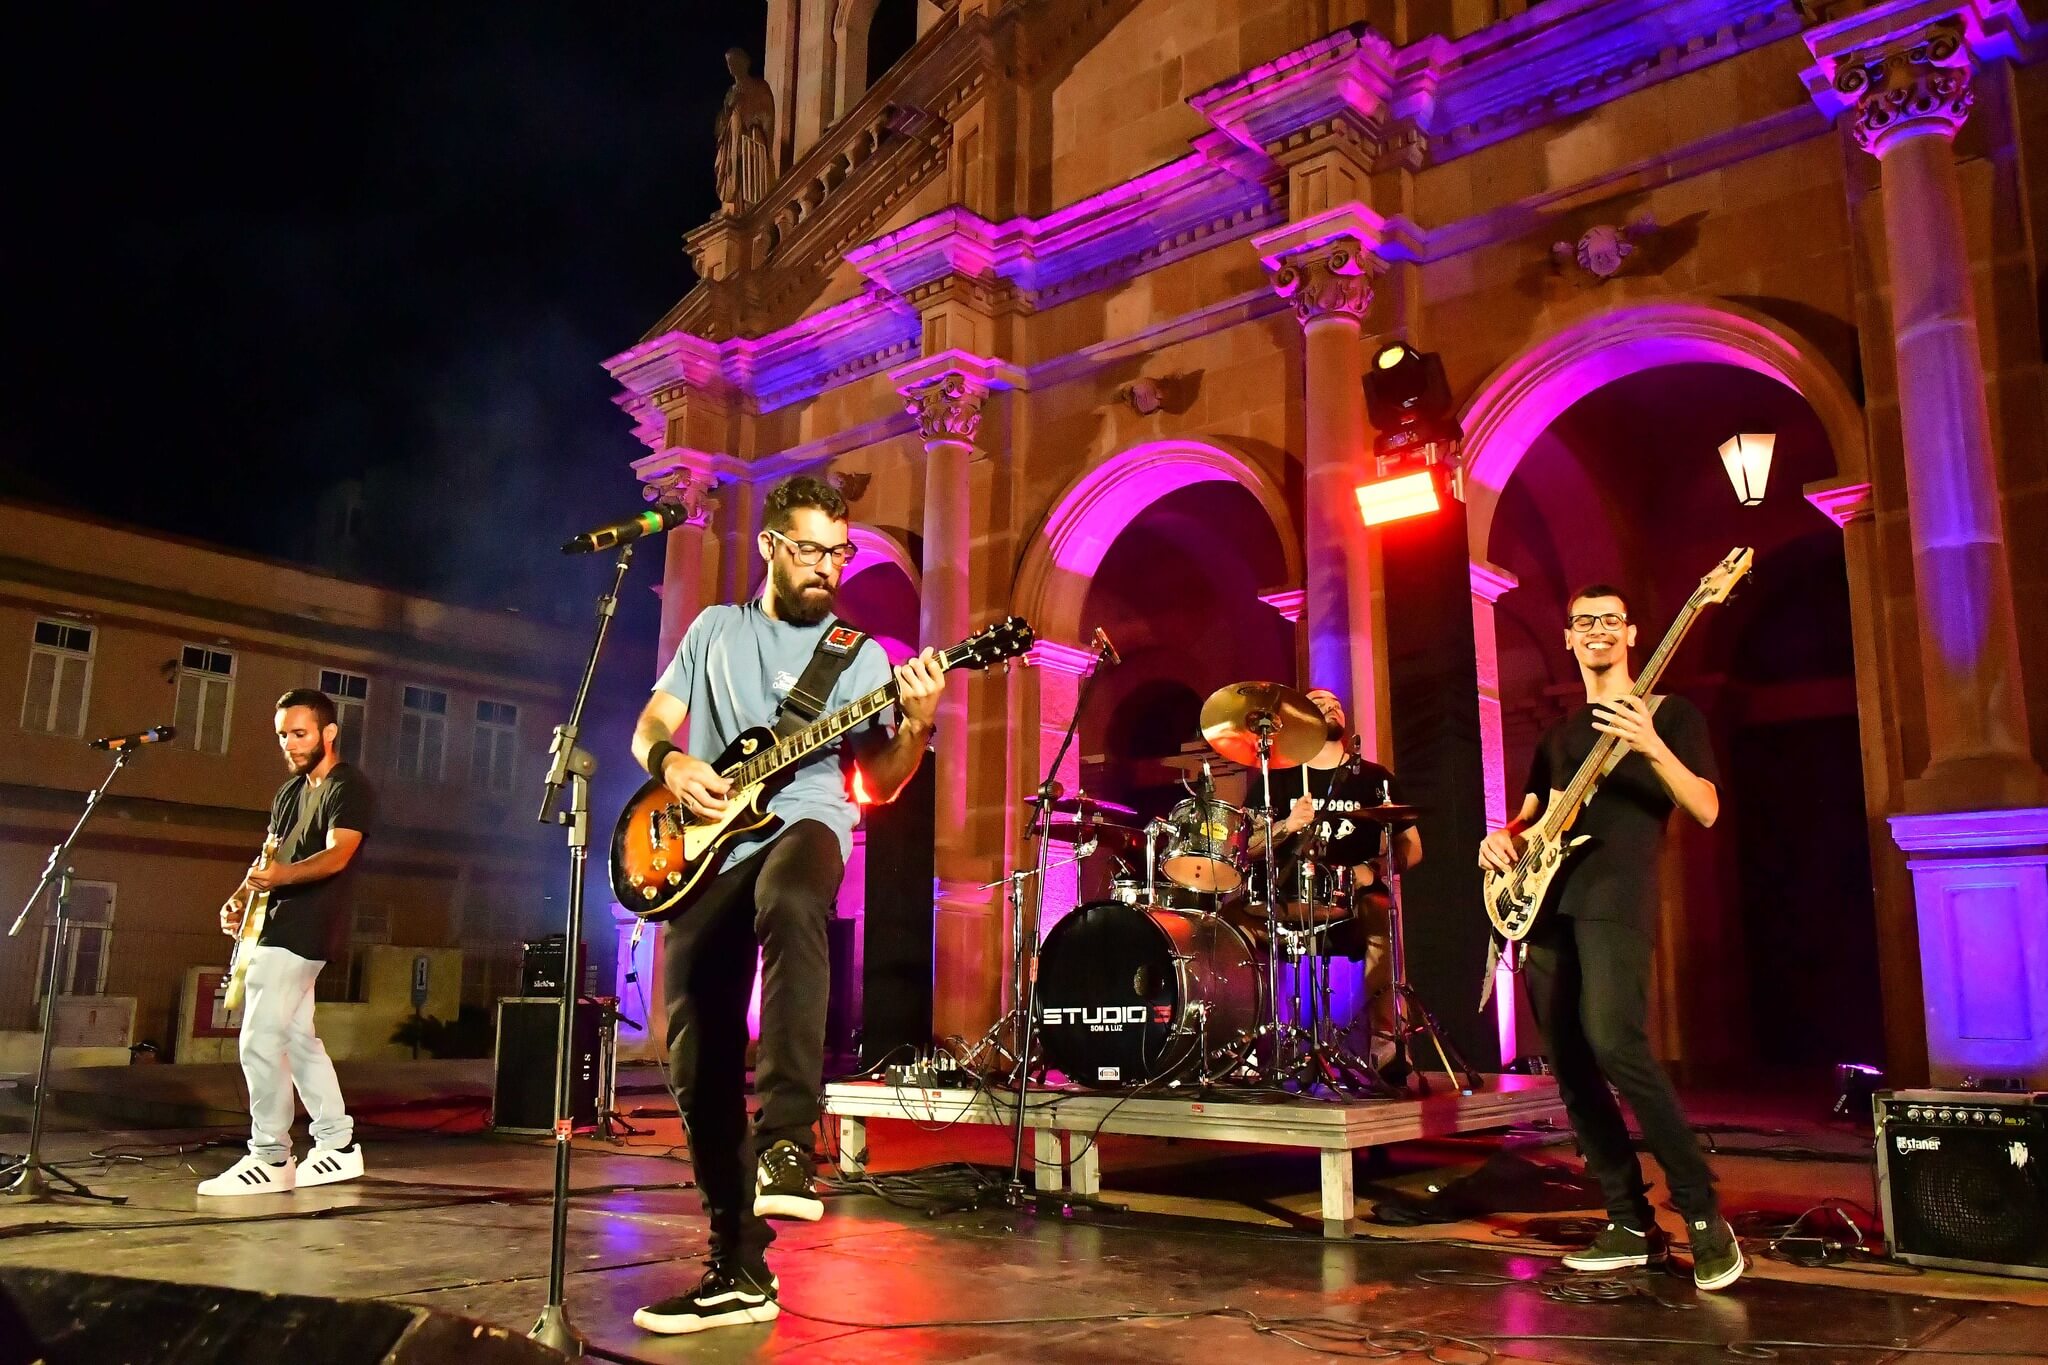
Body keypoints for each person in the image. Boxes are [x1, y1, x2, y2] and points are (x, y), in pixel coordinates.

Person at [628, 475, 945, 1335]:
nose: (828, 567)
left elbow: (875, 781)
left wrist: (914, 726)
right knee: (695, 1040)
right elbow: (653, 723)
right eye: (810, 550)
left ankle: (790, 1140)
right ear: (770, 545)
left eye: (838, 551)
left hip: (807, 821)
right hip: (705, 848)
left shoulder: (864, 655)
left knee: (795, 895)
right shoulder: (713, 630)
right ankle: (735, 1260)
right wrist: (672, 767)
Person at [1476, 585, 1743, 1292]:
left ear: (1631, 633)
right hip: (1547, 905)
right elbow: (1526, 822)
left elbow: (1707, 808)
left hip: (1614, 900)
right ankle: (1628, 1219)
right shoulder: (1559, 736)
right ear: (1568, 637)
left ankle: (1703, 1212)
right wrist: (1496, 845)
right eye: (1584, 622)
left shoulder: (1672, 716)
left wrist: (1649, 743)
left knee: (1616, 1042)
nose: (1597, 631)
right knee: (1566, 1058)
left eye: (1610, 621)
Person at [199, 689, 373, 1198]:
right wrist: (240, 897)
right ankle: (337, 1146)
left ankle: (270, 1155)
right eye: (283, 735)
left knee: (258, 1040)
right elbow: (269, 857)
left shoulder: (350, 787)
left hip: (307, 929)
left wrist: (279, 879)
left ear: (329, 732)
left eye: (300, 733)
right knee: (298, 1040)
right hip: (273, 927)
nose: (290, 744)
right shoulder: (290, 792)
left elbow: (339, 855)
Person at [1245, 688, 1421, 1072]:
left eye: (1335, 704)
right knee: (1234, 927)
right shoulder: (1274, 779)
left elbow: (1413, 847)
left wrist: (1373, 869)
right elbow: (1248, 846)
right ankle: (1246, 1045)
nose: (1329, 707)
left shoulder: (1374, 777)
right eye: (1318, 704)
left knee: (1380, 911)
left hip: (1352, 892)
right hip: (1287, 894)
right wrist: (1288, 825)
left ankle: (1386, 1044)